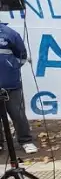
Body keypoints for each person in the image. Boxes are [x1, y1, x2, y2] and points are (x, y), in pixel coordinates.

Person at [0, 22, 37, 154]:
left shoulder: (9, 33)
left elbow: (21, 54)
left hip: (11, 84)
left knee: (18, 114)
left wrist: (11, 68)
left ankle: (26, 141)